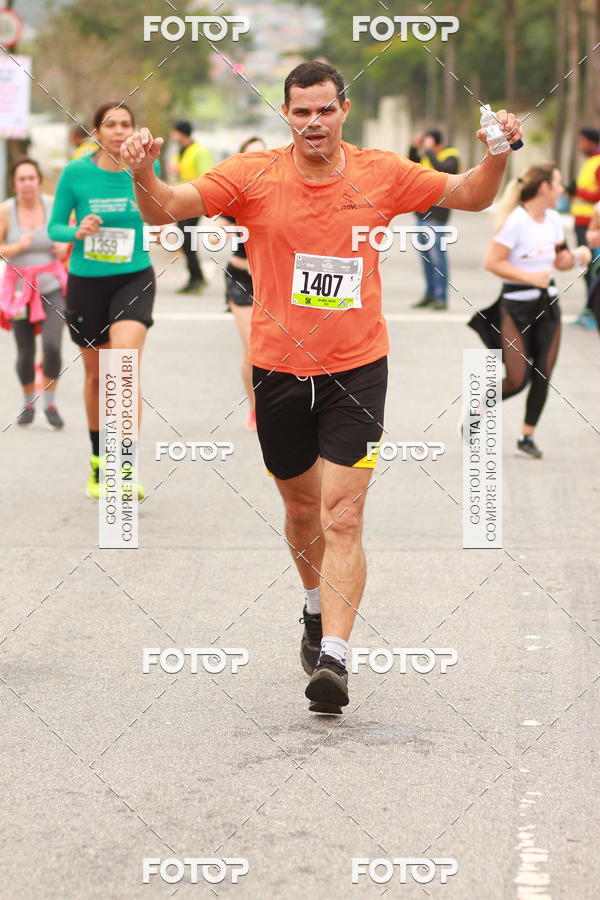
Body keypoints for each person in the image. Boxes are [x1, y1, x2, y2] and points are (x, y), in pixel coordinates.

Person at [121, 60, 523, 714]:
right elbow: (171, 206)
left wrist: (498, 153)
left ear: (344, 110)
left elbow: (472, 195)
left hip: (358, 367)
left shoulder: (383, 172)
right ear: (285, 114)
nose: (314, 122)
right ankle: (313, 608)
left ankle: (334, 657)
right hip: (278, 369)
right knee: (302, 511)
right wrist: (142, 172)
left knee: (344, 512)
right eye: (301, 111)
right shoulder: (253, 175)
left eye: (325, 110)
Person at [48, 101, 158, 499]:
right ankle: (99, 461)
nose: (119, 131)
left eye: (126, 124)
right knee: (96, 376)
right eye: (110, 125)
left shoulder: (144, 167)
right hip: (86, 283)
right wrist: (78, 230)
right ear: (96, 132)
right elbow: (55, 227)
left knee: (122, 369)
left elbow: (161, 211)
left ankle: (124, 468)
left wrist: (147, 175)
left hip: (134, 276)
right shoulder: (76, 173)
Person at [483, 164, 591, 458]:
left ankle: (526, 437)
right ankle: (477, 407)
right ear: (544, 187)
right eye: (557, 185)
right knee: (517, 379)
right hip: (515, 307)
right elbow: (493, 262)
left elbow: (560, 261)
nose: (561, 191)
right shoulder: (516, 221)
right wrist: (531, 277)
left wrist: (580, 255)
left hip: (548, 305)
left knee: (543, 372)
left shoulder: (555, 220)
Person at [0, 158, 69, 428]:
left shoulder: (53, 206)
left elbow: (67, 234)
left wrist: (64, 245)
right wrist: (16, 247)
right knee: (25, 352)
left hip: (51, 286)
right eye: (22, 179)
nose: (27, 184)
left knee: (52, 345)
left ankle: (50, 403)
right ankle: (28, 402)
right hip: (20, 292)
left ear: (38, 181)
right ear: (14, 183)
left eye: (32, 178)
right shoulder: (6, 210)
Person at [210, 136, 266, 432]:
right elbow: (218, 224)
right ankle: (255, 406)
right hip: (241, 278)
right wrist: (224, 230)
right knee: (253, 349)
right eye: (251, 156)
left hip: (273, 280)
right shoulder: (237, 194)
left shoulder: (280, 191)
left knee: (280, 348)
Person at [408, 129, 460, 310]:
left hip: (438, 215)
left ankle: (441, 297)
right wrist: (414, 148)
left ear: (435, 141)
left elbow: (445, 169)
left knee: (438, 257)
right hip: (422, 213)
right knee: (426, 258)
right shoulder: (425, 156)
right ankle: (429, 294)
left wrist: (429, 151)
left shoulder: (451, 154)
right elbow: (411, 166)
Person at [169, 121, 213, 293]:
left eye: (175, 133)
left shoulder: (199, 151)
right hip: (180, 200)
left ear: (181, 133)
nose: (173, 136)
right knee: (185, 240)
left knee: (187, 239)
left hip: (195, 201)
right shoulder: (178, 152)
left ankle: (197, 278)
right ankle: (195, 277)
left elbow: (206, 176)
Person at [567, 127, 600, 328]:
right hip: (581, 222)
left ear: (591, 141)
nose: (579, 145)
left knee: (592, 268)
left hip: (592, 224)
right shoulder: (589, 161)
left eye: (582, 141)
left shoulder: (597, 162)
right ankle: (590, 309)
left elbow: (597, 195)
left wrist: (577, 191)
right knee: (587, 267)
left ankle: (592, 311)